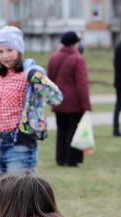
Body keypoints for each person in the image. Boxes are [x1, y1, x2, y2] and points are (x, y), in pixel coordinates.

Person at [0, 26, 63, 180]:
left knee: (17, 196)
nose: (5, 55)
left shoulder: (30, 72)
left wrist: (37, 78)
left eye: (9, 50)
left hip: (19, 145)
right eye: (0, 51)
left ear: (19, 50)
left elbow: (56, 98)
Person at [48, 31, 92, 167]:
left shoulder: (53, 58)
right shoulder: (78, 59)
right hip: (74, 103)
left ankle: (61, 159)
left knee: (61, 131)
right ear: (75, 43)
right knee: (74, 131)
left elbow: (50, 80)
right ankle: (72, 160)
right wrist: (86, 106)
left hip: (59, 101)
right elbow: (82, 85)